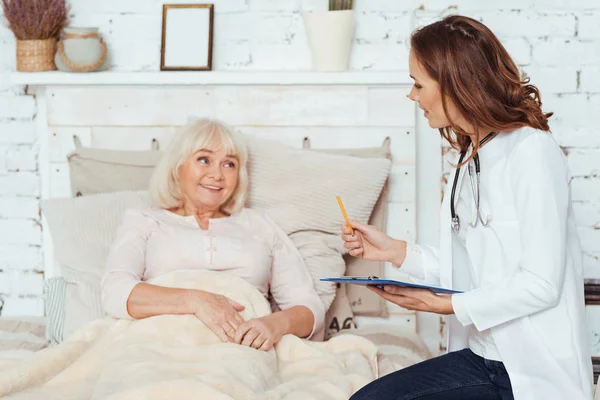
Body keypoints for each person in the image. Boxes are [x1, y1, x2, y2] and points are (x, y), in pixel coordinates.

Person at [344, 15, 593, 400]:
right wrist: (395, 252)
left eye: (418, 84)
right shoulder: (470, 155)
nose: (412, 96)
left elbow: (542, 284)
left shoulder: (531, 151)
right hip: (482, 359)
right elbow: (470, 268)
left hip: (526, 372)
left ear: (455, 85)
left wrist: (447, 305)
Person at [101, 118, 325, 351]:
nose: (217, 174)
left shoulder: (259, 226)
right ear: (177, 167)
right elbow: (114, 291)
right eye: (204, 160)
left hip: (242, 349)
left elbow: (309, 308)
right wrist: (196, 301)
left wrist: (274, 325)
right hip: (160, 344)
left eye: (229, 164)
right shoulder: (145, 221)